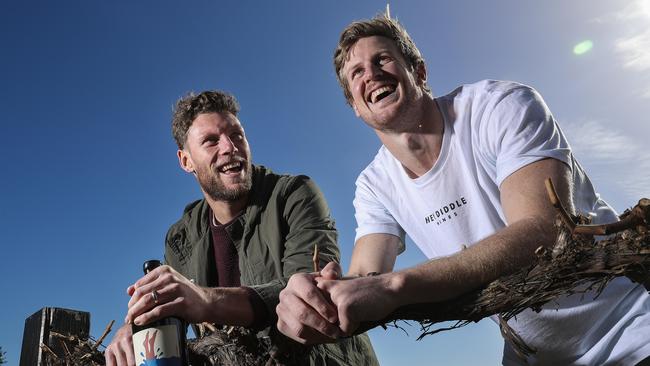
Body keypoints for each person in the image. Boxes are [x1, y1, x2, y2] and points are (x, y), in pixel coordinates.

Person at [276, 15, 650, 365]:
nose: (371, 74)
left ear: (419, 72)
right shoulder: (374, 184)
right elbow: (366, 276)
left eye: (383, 59)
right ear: (355, 106)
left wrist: (398, 285)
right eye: (356, 72)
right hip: (538, 354)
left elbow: (544, 230)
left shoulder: (499, 106)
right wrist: (318, 295)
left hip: (631, 330)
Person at [105, 90, 378, 366]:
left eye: (236, 135)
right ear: (186, 161)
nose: (229, 147)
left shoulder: (295, 195)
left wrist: (207, 301)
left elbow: (312, 292)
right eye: (211, 141)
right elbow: (170, 307)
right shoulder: (180, 237)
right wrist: (134, 328)